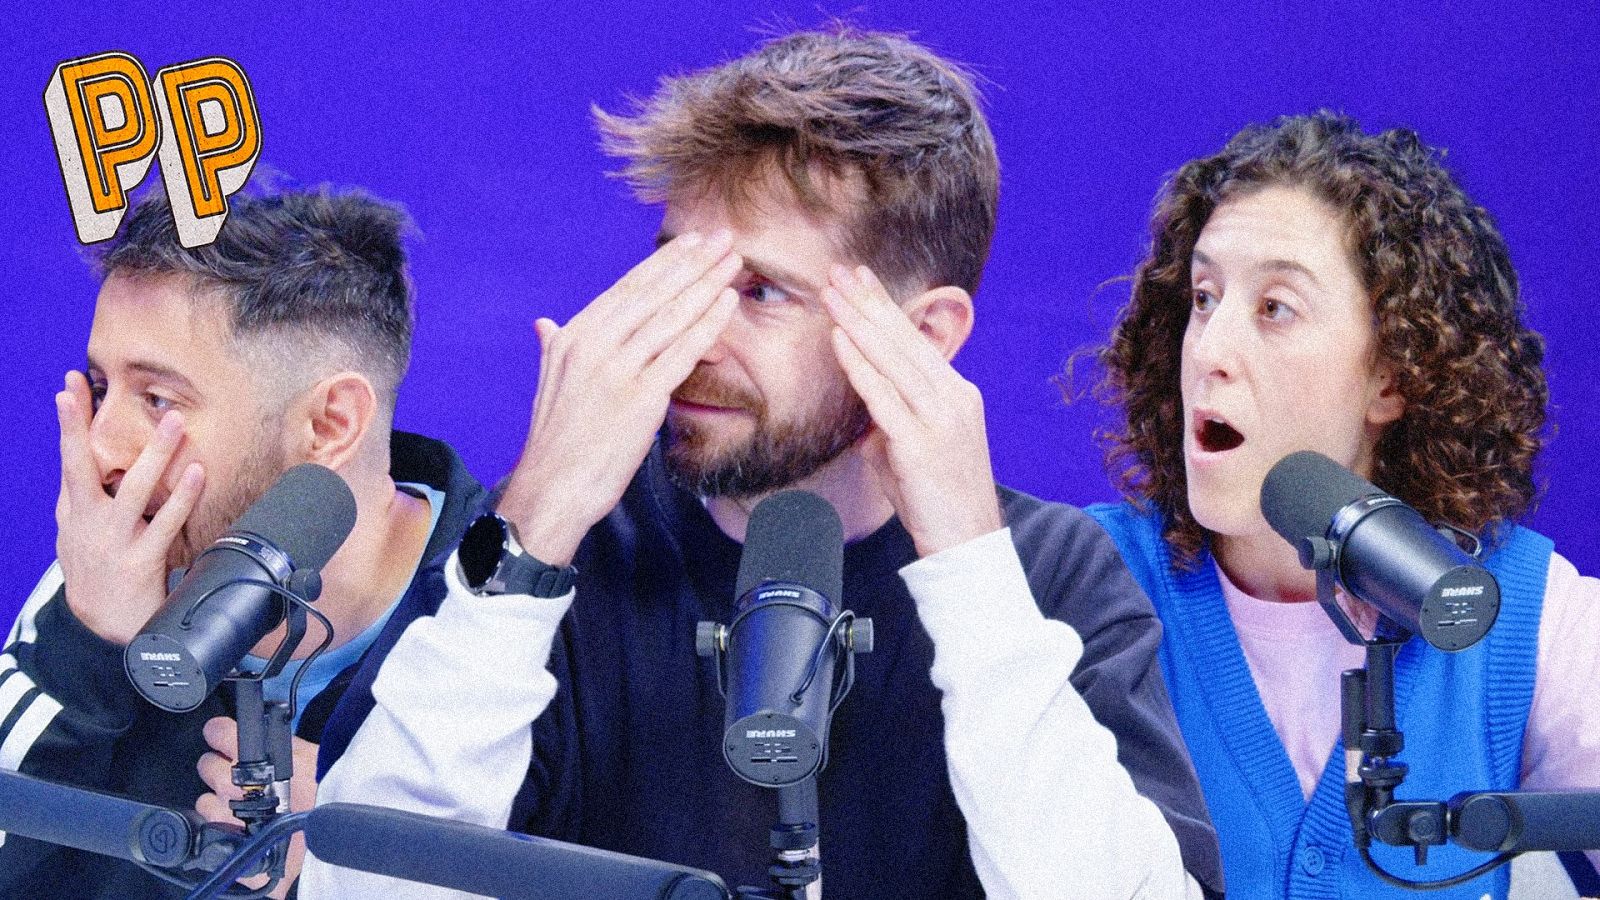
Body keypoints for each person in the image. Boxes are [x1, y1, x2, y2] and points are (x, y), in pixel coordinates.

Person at [304, 28, 1225, 899]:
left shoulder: (1045, 572)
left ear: (924, 335)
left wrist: (970, 577)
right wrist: (536, 526)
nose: (697, 337)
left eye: (760, 291)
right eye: (678, 277)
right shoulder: (555, 546)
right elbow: (362, 885)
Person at [1087, 111, 1600, 898]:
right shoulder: (1085, 583)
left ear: (1391, 378)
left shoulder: (1528, 613)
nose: (1209, 351)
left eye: (1275, 308)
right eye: (1204, 297)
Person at [0, 189, 484, 898]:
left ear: (328, 425)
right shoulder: (116, 565)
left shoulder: (507, 625)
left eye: (158, 400)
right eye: (102, 388)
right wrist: (92, 646)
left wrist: (369, 865)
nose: (102, 449)